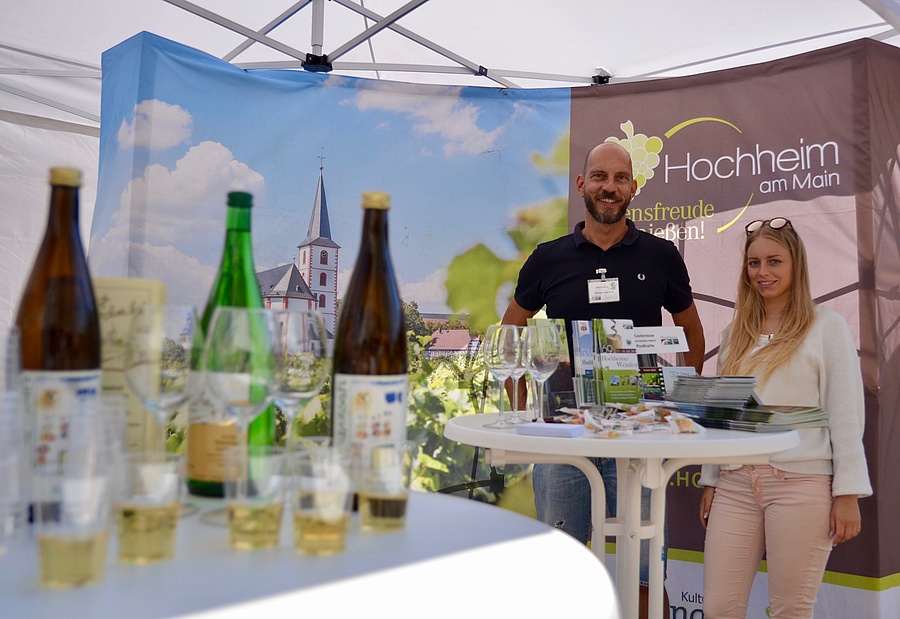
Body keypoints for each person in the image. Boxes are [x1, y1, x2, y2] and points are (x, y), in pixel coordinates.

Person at [501, 141, 705, 617]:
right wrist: (523, 410)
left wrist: (680, 402)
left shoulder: (661, 256)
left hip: (639, 436)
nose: (609, 187)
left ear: (633, 187)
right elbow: (510, 332)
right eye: (599, 177)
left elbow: (692, 333)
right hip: (563, 439)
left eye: (619, 178)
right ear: (581, 185)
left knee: (645, 573)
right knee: (562, 571)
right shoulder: (547, 258)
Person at [698, 217, 871, 619]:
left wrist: (847, 493)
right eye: (754, 263)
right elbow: (724, 414)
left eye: (774, 261)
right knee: (719, 608)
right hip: (735, 484)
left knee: (790, 610)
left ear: (796, 264)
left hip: (801, 483)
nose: (763, 272)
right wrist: (711, 478)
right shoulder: (735, 333)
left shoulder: (826, 327)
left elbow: (846, 414)